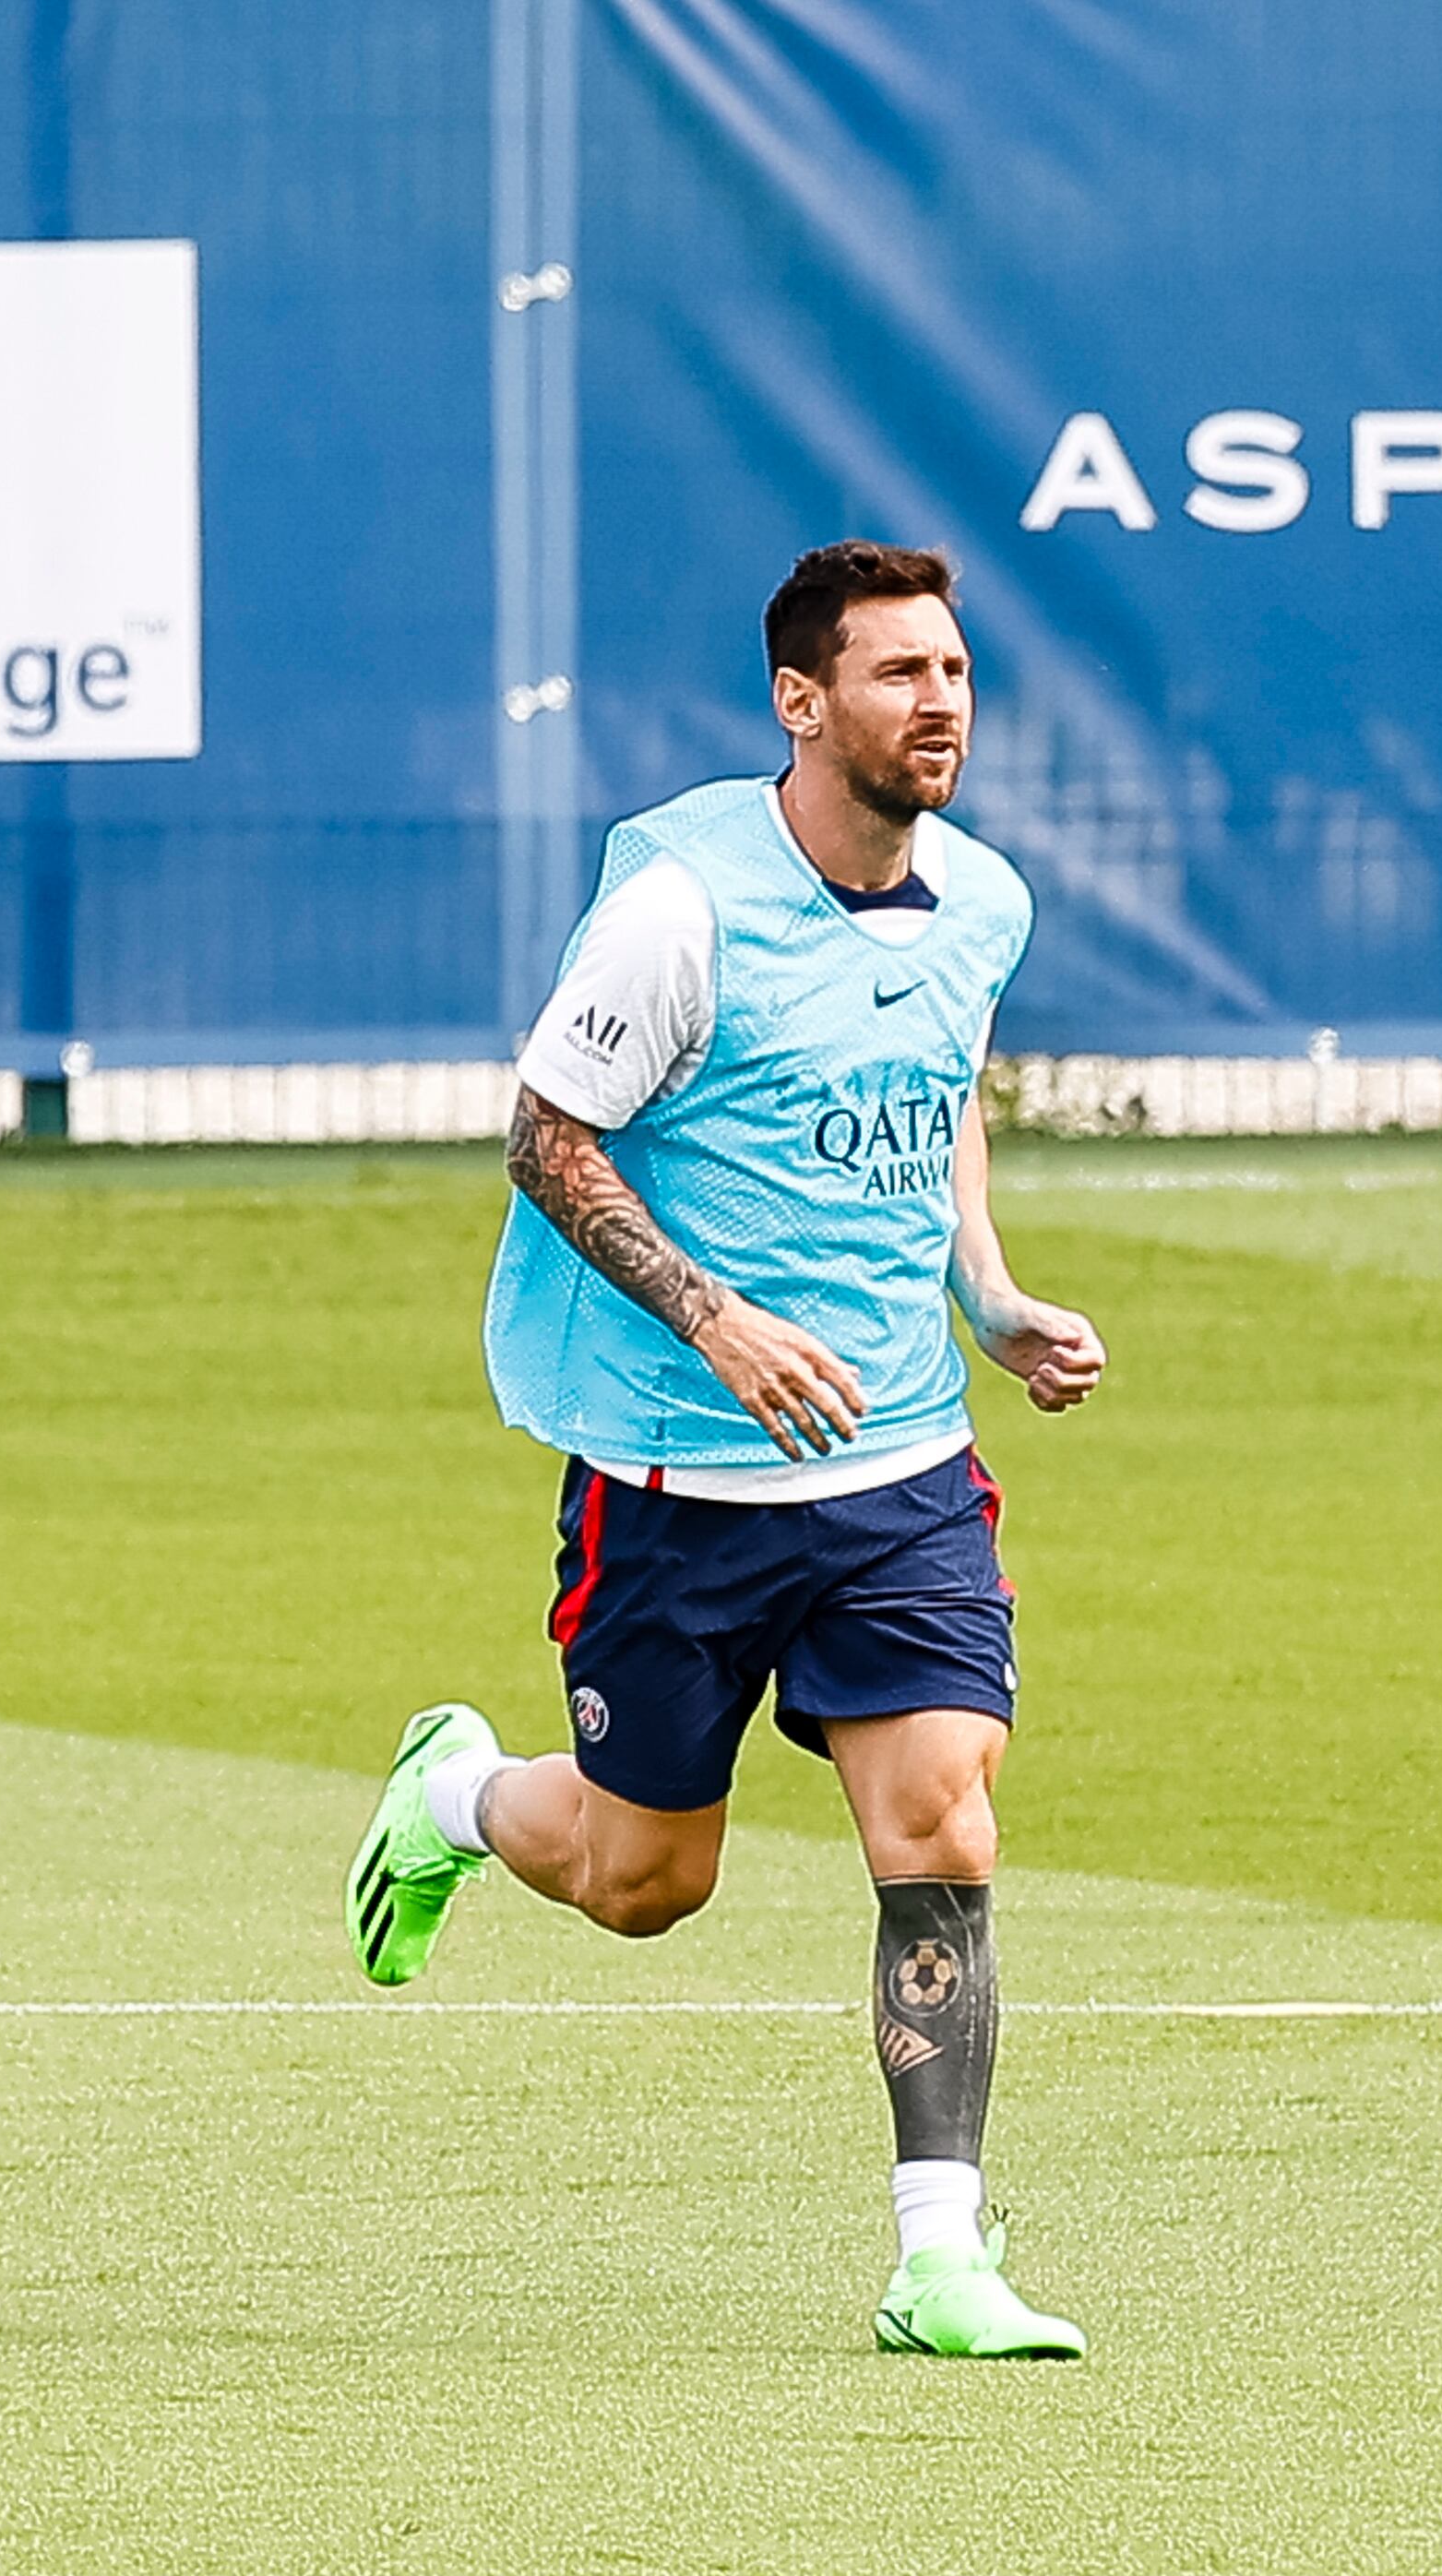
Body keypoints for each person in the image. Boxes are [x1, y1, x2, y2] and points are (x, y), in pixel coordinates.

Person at [341, 539, 1106, 2360]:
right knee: (642, 1883)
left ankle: (942, 2257)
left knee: (941, 1824)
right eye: (897, 674)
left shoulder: (980, 902)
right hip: (675, 1486)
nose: (939, 704)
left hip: (898, 1476)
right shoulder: (679, 906)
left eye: (954, 671)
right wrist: (714, 1314)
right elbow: (547, 1137)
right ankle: (455, 1792)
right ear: (802, 701)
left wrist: (983, 1299)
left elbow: (937, 1100)